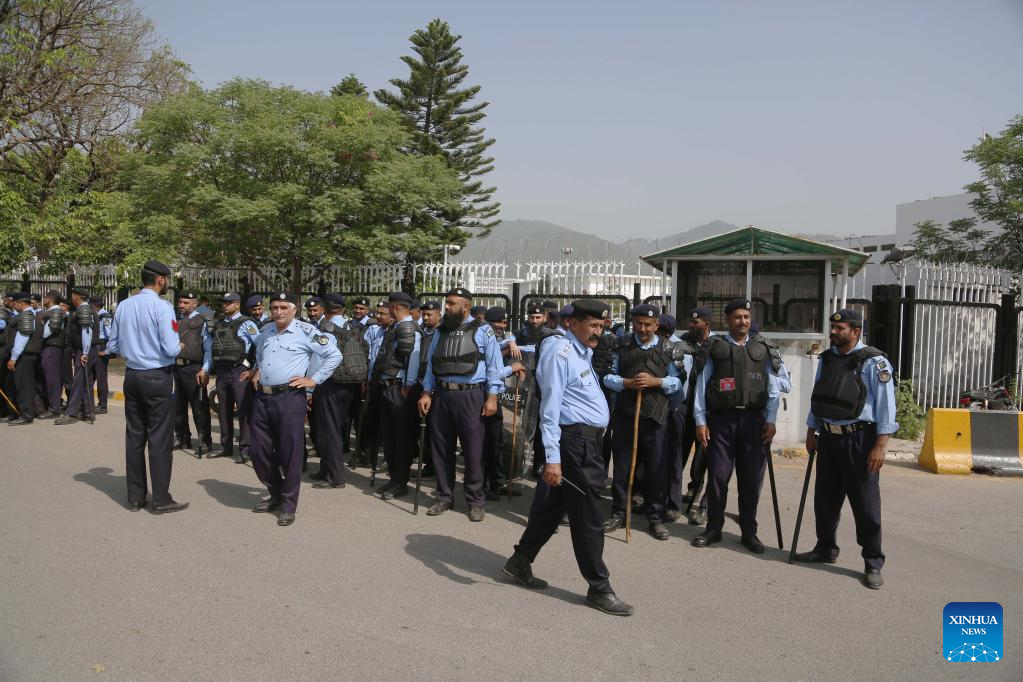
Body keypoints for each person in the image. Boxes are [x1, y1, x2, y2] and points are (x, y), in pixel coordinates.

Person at [502, 299, 634, 617]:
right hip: (574, 444)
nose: (598, 331)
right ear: (572, 322)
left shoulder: (581, 350)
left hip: (585, 443)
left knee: (552, 507)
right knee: (589, 516)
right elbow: (550, 409)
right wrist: (553, 459)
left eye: (601, 326)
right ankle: (599, 587)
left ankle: (520, 561)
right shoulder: (560, 352)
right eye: (592, 325)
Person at [796, 309, 897, 590]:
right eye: (832, 327)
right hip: (828, 438)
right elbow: (819, 396)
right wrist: (811, 431)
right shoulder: (827, 358)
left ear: (855, 331)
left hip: (860, 440)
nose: (833, 332)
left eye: (839, 328)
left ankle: (873, 562)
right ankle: (825, 548)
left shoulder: (874, 362)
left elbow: (886, 407)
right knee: (825, 500)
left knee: (865, 505)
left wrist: (880, 446)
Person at [691, 298, 781, 554]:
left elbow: (773, 387)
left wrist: (771, 419)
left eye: (747, 317)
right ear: (728, 320)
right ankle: (713, 528)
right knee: (718, 477)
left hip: (754, 422)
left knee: (750, 479)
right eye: (738, 317)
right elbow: (701, 386)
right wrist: (700, 421)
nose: (743, 321)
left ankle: (749, 532)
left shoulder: (763, 348)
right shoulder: (715, 348)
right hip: (722, 421)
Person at [248, 292, 341, 526]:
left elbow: (334, 355)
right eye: (274, 307)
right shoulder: (266, 331)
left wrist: (314, 379)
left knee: (290, 452)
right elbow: (260, 355)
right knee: (257, 450)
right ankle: (275, 491)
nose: (278, 311)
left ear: (294, 309)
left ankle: (288, 504)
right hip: (263, 397)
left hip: (289, 398)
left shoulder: (306, 332)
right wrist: (258, 371)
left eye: (283, 307)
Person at [103, 260, 188, 513]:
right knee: (160, 439)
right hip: (157, 377)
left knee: (135, 436)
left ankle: (135, 497)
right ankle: (161, 499)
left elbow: (113, 345)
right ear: (161, 280)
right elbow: (170, 348)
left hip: (132, 375)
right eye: (167, 279)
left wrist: (135, 349)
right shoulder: (162, 307)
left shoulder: (124, 305)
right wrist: (180, 347)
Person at [417, 287, 504, 521]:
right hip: (442, 395)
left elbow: (494, 366)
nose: (447, 307)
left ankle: (475, 501)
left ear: (466, 307)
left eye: (452, 303)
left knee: (473, 451)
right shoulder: (440, 331)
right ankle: (444, 496)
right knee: (441, 449)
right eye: (446, 303)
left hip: (471, 396)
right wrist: (426, 392)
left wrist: (492, 397)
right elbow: (432, 365)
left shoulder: (483, 330)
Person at [602, 304, 684, 541]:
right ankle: (618, 512)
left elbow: (679, 382)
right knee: (622, 467)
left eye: (648, 324)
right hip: (625, 416)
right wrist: (626, 383)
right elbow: (607, 377)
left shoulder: (670, 349)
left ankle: (655, 517)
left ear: (657, 325)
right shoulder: (621, 345)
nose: (643, 328)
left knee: (656, 469)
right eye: (638, 323)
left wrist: (657, 382)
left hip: (656, 418)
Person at [311, 293, 368, 486]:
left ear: (324, 310)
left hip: (330, 384)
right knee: (335, 428)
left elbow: (318, 359)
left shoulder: (325, 330)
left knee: (329, 431)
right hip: (350, 385)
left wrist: (310, 386)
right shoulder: (353, 328)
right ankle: (326, 468)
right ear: (342, 309)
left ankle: (334, 477)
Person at [369, 292, 422, 499]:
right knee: (389, 437)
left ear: (394, 307)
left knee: (401, 438)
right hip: (386, 386)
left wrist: (407, 387)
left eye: (389, 306)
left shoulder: (409, 328)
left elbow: (413, 360)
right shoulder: (395, 327)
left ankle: (401, 482)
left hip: (398, 388)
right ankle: (393, 478)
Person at [481, 306, 526, 498]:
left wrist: (511, 343)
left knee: (497, 443)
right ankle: (482, 486)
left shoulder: (498, 340)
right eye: (497, 322)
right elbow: (488, 372)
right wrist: (511, 369)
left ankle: (497, 482)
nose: (500, 326)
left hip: (495, 397)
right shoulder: (482, 339)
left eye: (503, 322)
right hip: (483, 396)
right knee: (485, 444)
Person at [210, 292, 261, 462]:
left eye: (229, 302)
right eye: (223, 302)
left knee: (243, 411)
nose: (225, 305)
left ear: (237, 304)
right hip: (222, 372)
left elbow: (260, 346)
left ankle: (246, 449)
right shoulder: (218, 324)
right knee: (223, 411)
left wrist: (253, 369)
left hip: (239, 371)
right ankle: (225, 446)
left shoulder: (247, 324)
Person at [679, 307, 713, 524]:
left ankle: (696, 489)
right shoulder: (684, 341)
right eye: (691, 322)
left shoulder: (717, 345)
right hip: (685, 406)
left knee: (703, 455)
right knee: (679, 451)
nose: (691, 326)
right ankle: (673, 495)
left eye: (696, 322)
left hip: (705, 408)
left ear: (707, 323)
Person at [174, 291, 213, 457]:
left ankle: (204, 440)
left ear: (195, 303)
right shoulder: (177, 320)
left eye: (185, 302)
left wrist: (205, 369)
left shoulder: (202, 321)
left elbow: (208, 348)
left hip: (193, 368)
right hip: (177, 368)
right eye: (180, 302)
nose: (181, 305)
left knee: (199, 407)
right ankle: (182, 437)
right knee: (178, 406)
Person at [55, 288, 99, 425]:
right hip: (87, 350)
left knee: (78, 381)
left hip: (85, 350)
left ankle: (71, 413)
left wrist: (84, 353)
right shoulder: (84, 309)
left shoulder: (84, 310)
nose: (71, 299)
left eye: (73, 296)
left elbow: (87, 332)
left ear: (77, 297)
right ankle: (88, 411)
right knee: (86, 381)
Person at [6, 292, 41, 424]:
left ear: (21, 303)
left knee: (24, 386)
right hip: (25, 356)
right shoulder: (32, 314)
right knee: (20, 385)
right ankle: (20, 412)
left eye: (14, 303)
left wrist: (14, 358)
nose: (13, 306)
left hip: (23, 356)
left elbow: (23, 337)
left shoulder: (26, 315)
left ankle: (26, 415)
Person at [37, 289, 67, 419]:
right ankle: (49, 405)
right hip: (48, 348)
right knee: (46, 378)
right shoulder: (50, 312)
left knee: (52, 379)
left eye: (45, 297)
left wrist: (35, 336)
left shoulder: (55, 312)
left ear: (50, 299)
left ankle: (54, 409)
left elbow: (47, 332)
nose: (43, 299)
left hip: (51, 348)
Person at [90, 297, 113, 414]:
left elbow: (110, 334)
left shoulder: (105, 316)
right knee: (91, 376)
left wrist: (107, 351)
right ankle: (89, 403)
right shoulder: (95, 315)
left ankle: (103, 405)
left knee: (101, 378)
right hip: (94, 346)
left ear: (95, 305)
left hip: (101, 346)